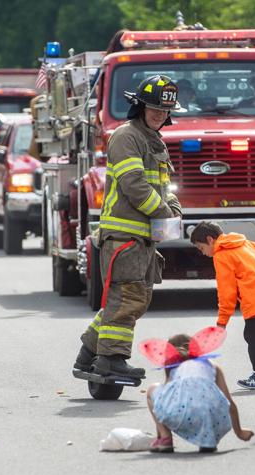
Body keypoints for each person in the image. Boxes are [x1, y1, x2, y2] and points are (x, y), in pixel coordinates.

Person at [73, 75, 182, 379]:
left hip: (143, 238)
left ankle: (88, 354)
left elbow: (163, 186)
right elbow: (134, 186)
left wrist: (174, 208)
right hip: (125, 237)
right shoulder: (126, 136)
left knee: (133, 299)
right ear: (139, 107)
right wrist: (164, 213)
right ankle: (112, 358)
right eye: (154, 110)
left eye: (164, 112)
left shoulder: (153, 140)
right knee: (128, 298)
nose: (160, 116)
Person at [190, 221, 255, 390]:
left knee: (252, 336)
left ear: (210, 240)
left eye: (201, 248)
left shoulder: (221, 256)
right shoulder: (247, 243)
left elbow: (227, 292)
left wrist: (222, 322)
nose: (203, 253)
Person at [144, 330, 254, 453]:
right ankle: (208, 440)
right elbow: (230, 403)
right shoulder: (212, 365)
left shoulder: (173, 367)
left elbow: (164, 400)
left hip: (182, 416)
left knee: (152, 390)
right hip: (215, 420)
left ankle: (165, 439)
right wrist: (239, 432)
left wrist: (160, 433)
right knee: (204, 406)